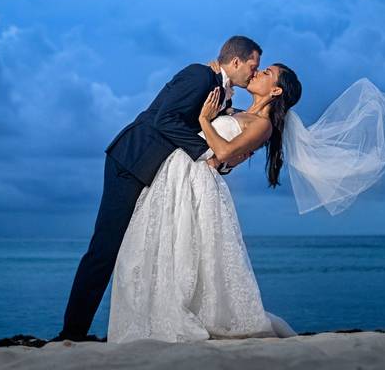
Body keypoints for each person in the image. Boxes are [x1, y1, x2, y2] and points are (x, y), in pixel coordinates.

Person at [56, 35, 262, 342]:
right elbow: (165, 119)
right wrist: (209, 155)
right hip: (131, 162)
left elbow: (209, 131)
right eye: (253, 66)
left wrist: (225, 155)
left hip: (157, 174)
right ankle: (71, 333)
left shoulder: (223, 95)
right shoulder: (199, 75)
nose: (254, 73)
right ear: (235, 62)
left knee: (137, 251)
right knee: (105, 249)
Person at [108, 63, 303, 343]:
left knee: (187, 248)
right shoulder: (234, 111)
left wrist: (203, 120)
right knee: (149, 247)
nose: (258, 73)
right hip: (175, 173)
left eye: (266, 73)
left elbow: (223, 152)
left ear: (276, 90)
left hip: (198, 181)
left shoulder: (263, 126)